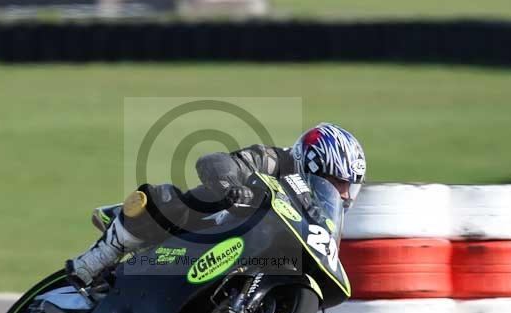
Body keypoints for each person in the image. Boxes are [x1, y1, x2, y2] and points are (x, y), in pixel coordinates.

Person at [66, 122, 366, 288]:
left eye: (348, 186)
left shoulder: (321, 215)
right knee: (165, 199)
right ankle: (96, 259)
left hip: (250, 256)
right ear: (310, 162)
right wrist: (231, 187)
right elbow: (216, 162)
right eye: (336, 182)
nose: (343, 194)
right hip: (207, 225)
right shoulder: (276, 160)